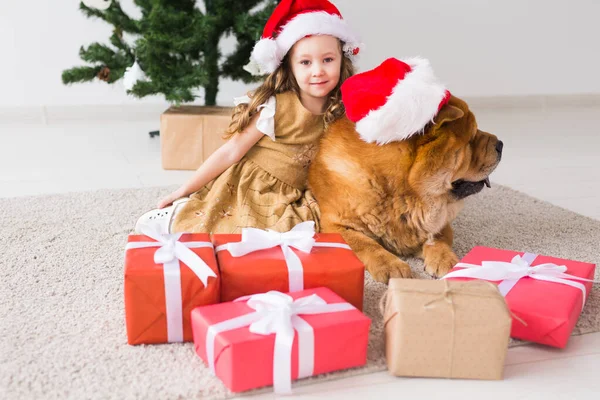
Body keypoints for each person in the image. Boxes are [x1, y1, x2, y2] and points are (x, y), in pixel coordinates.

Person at [135, 0, 361, 234]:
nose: (318, 71)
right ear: (289, 67)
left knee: (317, 227)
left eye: (328, 60)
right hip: (255, 186)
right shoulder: (278, 107)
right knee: (237, 229)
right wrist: (183, 190)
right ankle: (178, 213)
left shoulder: (341, 108)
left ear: (342, 59)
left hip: (297, 190)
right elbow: (231, 151)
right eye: (305, 62)